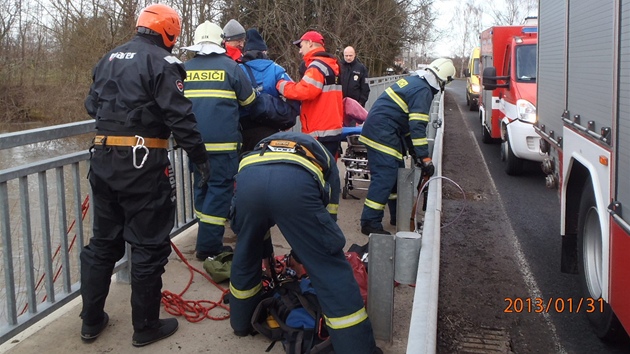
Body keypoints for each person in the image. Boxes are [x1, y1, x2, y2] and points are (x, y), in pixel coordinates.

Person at [80, 4, 211, 347]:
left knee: (103, 244)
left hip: (104, 159)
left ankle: (91, 321)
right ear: (168, 32)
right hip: (142, 163)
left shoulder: (108, 58)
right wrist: (201, 160)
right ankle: (146, 327)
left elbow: (92, 106)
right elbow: (180, 118)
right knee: (148, 247)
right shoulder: (163, 63)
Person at [228, 131, 381, 354]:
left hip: (249, 181)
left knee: (246, 252)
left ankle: (241, 322)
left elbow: (247, 225)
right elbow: (326, 224)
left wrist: (265, 249)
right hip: (294, 184)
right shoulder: (326, 160)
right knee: (329, 268)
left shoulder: (263, 144)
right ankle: (357, 348)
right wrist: (303, 257)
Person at [182, 21, 257, 260]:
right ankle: (209, 247)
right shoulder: (231, 67)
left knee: (201, 189)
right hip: (223, 147)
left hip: (194, 145)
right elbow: (250, 102)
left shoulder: (183, 69)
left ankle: (205, 238)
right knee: (219, 191)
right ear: (220, 41)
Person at [359, 58, 456, 236]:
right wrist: (424, 157)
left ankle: (399, 216)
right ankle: (369, 222)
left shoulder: (415, 82)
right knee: (385, 178)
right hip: (383, 134)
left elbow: (407, 124)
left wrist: (415, 152)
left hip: (383, 130)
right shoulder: (423, 91)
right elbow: (417, 125)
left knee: (396, 178)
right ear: (443, 81)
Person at [277, 31, 343, 159]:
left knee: (317, 173)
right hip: (332, 129)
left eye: (301, 46)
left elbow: (304, 91)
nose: (300, 52)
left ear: (310, 43)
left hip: (319, 132)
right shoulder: (332, 65)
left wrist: (281, 85)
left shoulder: (316, 66)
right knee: (328, 171)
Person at [239, 28, 299, 154]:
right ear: (264, 51)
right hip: (271, 128)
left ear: (245, 52)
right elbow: (294, 94)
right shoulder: (276, 69)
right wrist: (288, 119)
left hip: (244, 132)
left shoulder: (238, 70)